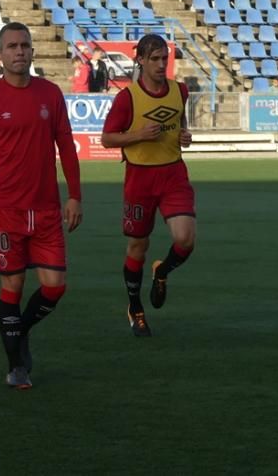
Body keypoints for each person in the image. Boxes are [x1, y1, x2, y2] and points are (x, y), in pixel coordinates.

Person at [0, 21, 82, 389]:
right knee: (12, 288)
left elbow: (66, 147)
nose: (20, 51)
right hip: (5, 211)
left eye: (25, 45)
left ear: (32, 51)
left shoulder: (50, 94)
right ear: (0, 55)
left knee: (55, 287)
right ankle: (16, 366)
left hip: (47, 209)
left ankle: (21, 332)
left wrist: (74, 195)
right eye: (12, 46)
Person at [100, 34, 195, 338]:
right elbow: (108, 138)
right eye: (154, 59)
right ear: (140, 60)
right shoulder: (128, 98)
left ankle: (162, 270)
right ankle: (135, 308)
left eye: (164, 58)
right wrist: (138, 135)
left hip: (172, 174)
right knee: (137, 246)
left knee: (185, 239)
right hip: (140, 178)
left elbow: (180, 126)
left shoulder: (180, 91)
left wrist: (185, 136)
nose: (160, 64)